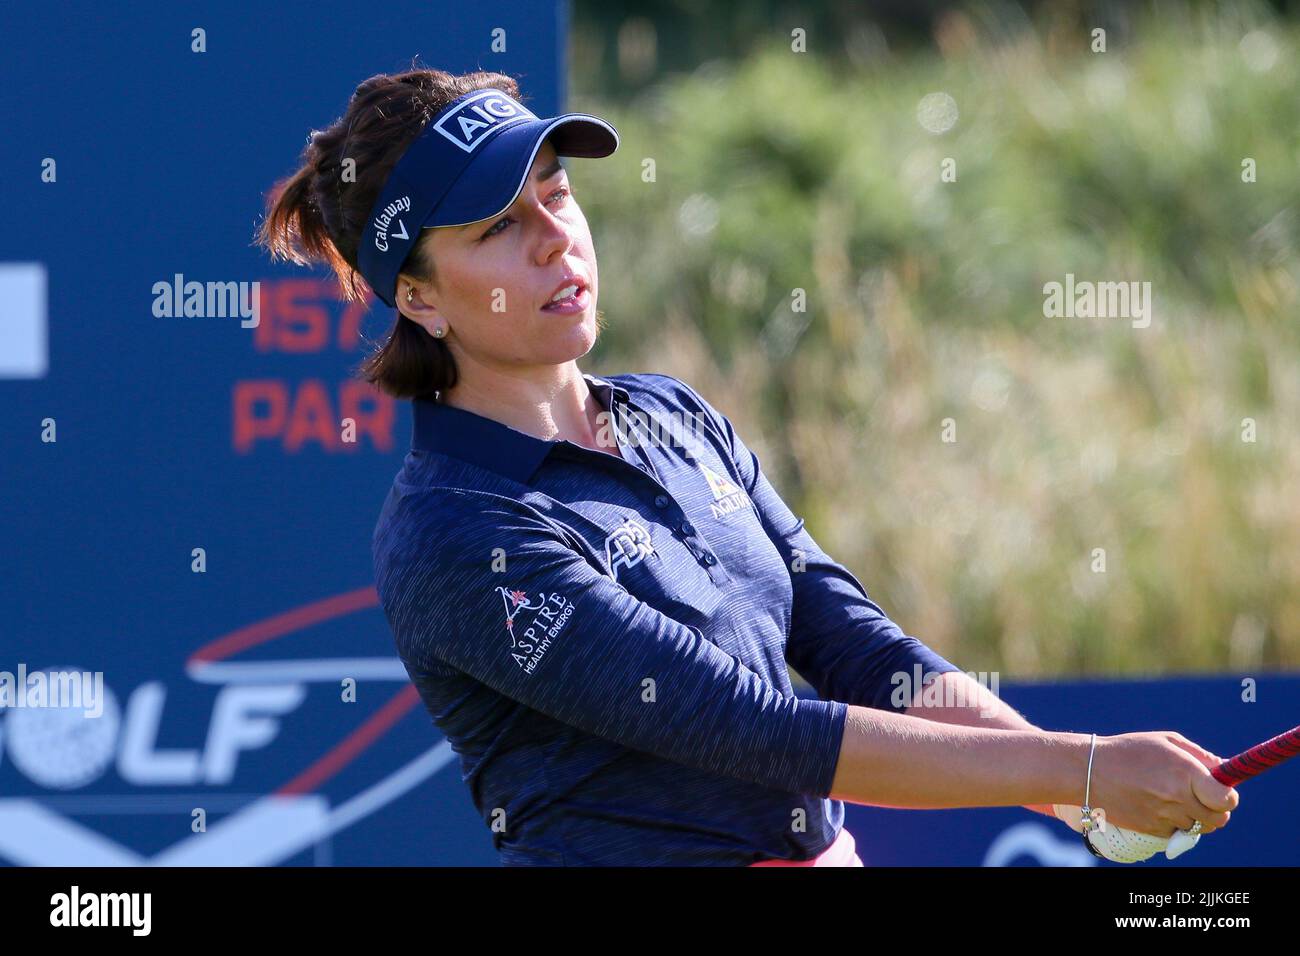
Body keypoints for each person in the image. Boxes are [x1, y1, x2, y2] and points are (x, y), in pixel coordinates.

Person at [255, 66, 1238, 866]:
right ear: (421, 298)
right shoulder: (455, 530)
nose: (557, 238)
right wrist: (1083, 767)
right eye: (498, 228)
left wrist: (1063, 790)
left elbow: (858, 648)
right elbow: (759, 728)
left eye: (556, 195)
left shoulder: (674, 415)